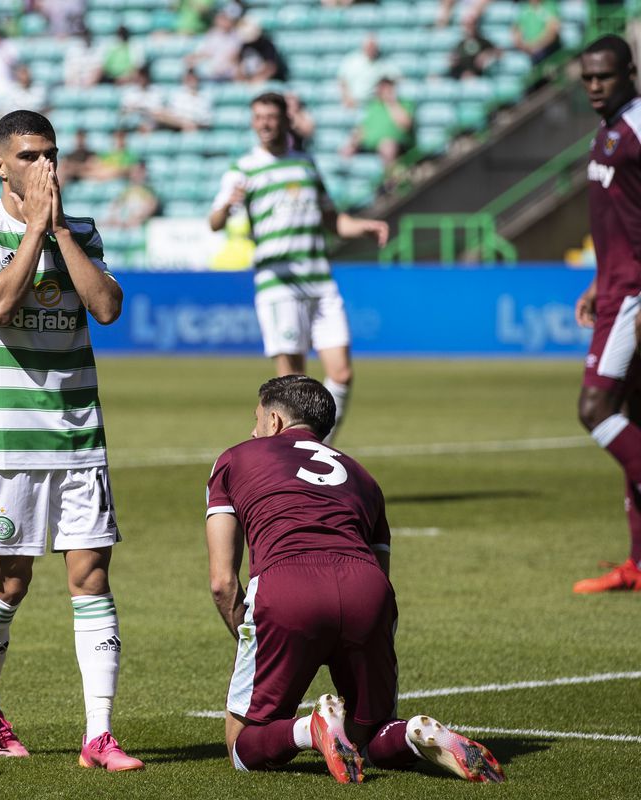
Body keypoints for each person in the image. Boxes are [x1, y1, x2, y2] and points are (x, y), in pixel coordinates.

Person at [0, 109, 143, 771]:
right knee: (10, 583)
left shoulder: (79, 229)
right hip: (8, 442)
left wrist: (57, 228)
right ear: (0, 164)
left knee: (90, 577)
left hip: (79, 434)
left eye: (50, 154)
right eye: (30, 156)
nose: (44, 168)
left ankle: (99, 735)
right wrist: (34, 228)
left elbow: (108, 307)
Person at [205, 375, 505, 784]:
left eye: (256, 420)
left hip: (287, 588)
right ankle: (412, 735)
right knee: (371, 734)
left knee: (242, 746)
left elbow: (223, 582)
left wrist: (253, 634)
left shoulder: (236, 458)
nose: (252, 429)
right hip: (367, 590)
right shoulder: (364, 478)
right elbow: (382, 579)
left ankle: (308, 729)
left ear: (274, 421)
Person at [208, 93, 388, 443]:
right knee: (292, 384)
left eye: (271, 117)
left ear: (286, 121)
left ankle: (317, 449)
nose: (264, 123)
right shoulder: (243, 169)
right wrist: (228, 206)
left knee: (342, 373)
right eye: (258, 116)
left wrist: (363, 226)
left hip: (320, 280)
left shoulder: (305, 165)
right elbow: (214, 222)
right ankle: (286, 460)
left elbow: (334, 220)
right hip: (280, 285)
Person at [571, 36, 641, 593]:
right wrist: (599, 277)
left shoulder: (637, 128)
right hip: (615, 286)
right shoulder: (610, 128)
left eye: (605, 76)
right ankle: (639, 563)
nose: (595, 86)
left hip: (635, 294)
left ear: (630, 72)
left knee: (595, 409)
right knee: (632, 416)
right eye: (588, 77)